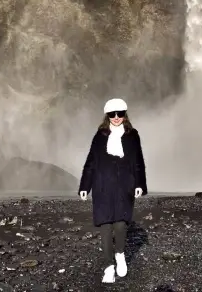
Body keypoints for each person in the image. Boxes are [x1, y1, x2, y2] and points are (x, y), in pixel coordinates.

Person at [78, 98, 148, 284]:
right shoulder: (100, 135)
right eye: (112, 114)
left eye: (120, 114)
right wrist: (85, 186)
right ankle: (109, 267)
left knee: (121, 224)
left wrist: (139, 184)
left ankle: (120, 254)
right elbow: (91, 162)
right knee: (106, 227)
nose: (116, 117)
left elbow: (138, 161)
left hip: (125, 186)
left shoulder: (133, 135)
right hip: (102, 186)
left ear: (125, 114)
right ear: (107, 115)